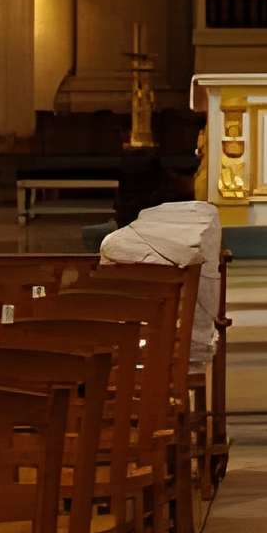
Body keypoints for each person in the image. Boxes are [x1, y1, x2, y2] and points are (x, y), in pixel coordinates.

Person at [98, 155, 223, 371]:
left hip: (132, 355)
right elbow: (209, 299)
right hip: (190, 347)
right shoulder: (205, 223)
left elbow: (114, 307)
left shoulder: (115, 245)